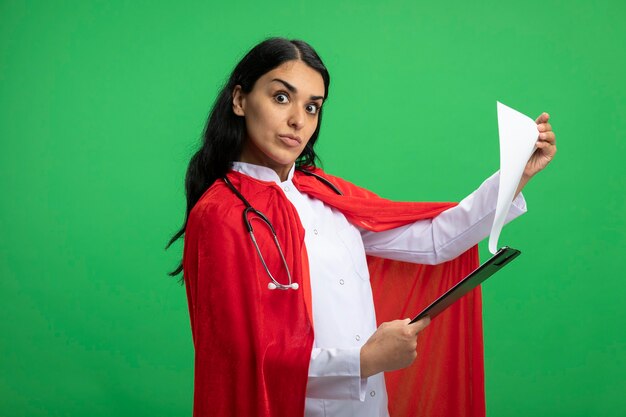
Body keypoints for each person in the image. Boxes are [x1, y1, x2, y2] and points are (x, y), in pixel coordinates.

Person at [167, 38, 556, 417]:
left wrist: (515, 176)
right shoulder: (220, 214)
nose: (297, 120)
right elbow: (243, 359)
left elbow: (435, 240)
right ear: (240, 100)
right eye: (281, 97)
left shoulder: (325, 192)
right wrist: (365, 360)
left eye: (313, 106)